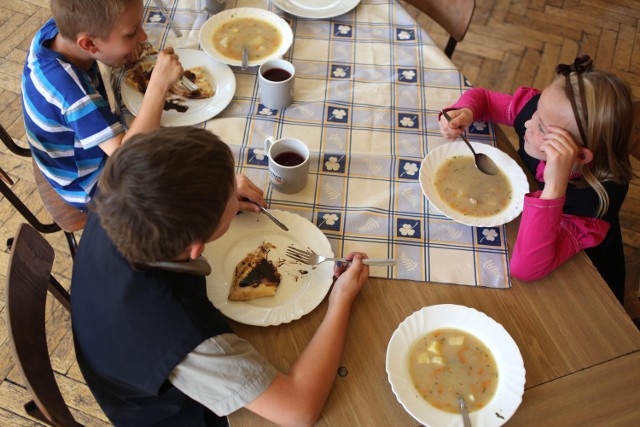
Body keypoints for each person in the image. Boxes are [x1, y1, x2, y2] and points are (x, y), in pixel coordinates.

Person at [71, 126, 370, 426]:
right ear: (197, 247)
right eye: (231, 191)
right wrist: (340, 302)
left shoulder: (118, 194)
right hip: (165, 412)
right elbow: (299, 410)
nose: (238, 184)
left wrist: (216, 200)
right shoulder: (188, 338)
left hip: (109, 348)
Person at [439, 55, 633, 304]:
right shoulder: (541, 114)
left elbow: (525, 268)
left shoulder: (592, 203)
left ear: (580, 155)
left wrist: (554, 187)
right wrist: (465, 112)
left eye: (542, 127)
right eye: (537, 111)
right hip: (524, 226)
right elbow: (485, 99)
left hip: (584, 285)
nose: (528, 122)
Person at [21, 0, 184, 209]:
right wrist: (158, 86)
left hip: (83, 150)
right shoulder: (71, 94)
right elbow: (130, 156)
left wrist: (125, 48)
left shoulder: (59, 30)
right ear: (89, 44)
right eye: (131, 33)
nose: (143, 37)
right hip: (90, 185)